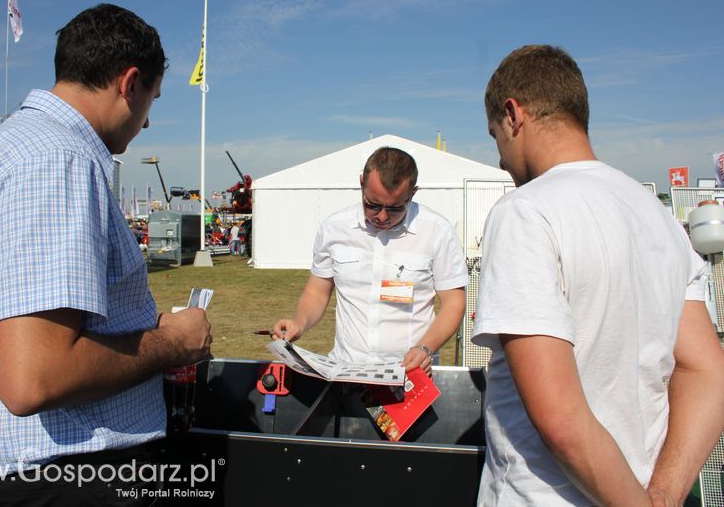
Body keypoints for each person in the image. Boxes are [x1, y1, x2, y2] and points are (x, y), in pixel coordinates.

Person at [0, 4, 212, 505]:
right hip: (75, 477)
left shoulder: (14, 148)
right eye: (151, 100)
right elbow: (36, 377)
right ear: (129, 83)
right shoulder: (57, 158)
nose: (147, 122)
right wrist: (171, 342)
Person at [472, 44, 724, 506]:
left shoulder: (525, 212)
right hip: (645, 488)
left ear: (513, 115)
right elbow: (707, 371)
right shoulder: (659, 217)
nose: (501, 160)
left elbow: (562, 419)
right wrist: (663, 495)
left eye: (495, 137)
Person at [273, 147, 468, 374]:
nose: (382, 216)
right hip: (347, 369)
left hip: (410, 373)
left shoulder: (437, 231)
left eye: (395, 208)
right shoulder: (334, 228)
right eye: (372, 204)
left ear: (413, 193)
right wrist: (300, 322)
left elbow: (454, 303)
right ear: (361, 183)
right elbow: (317, 291)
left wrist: (426, 348)